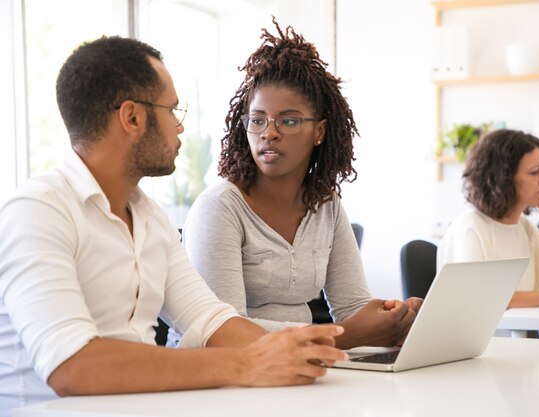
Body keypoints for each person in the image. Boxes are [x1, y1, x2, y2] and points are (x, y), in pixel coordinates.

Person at [0, 36, 348, 415]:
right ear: (132, 117)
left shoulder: (150, 218)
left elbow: (211, 321)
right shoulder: (38, 210)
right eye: (172, 111)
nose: (180, 128)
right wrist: (247, 364)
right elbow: (72, 367)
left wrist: (300, 349)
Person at [177, 19, 421, 350]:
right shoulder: (219, 208)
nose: (269, 133)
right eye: (258, 120)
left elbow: (352, 307)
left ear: (319, 131)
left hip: (297, 370)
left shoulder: (326, 205)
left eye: (288, 120)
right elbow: (224, 332)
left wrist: (394, 317)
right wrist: (342, 337)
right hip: (227, 379)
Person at [436, 129, 539, 308]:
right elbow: (480, 299)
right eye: (534, 172)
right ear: (503, 178)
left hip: (523, 332)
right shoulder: (471, 227)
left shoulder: (526, 228)